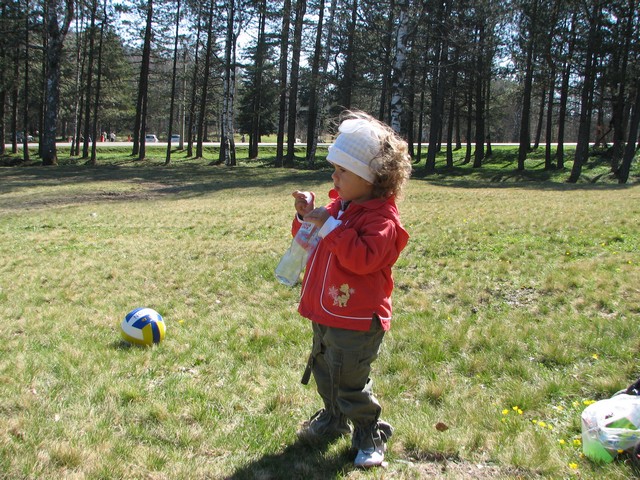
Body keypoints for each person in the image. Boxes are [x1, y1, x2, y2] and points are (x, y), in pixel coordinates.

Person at [287, 110, 412, 468]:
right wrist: (307, 216)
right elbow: (310, 240)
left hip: (357, 319)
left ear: (371, 177)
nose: (334, 176)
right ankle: (333, 418)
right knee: (325, 370)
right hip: (327, 311)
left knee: (349, 381)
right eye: (334, 168)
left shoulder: (382, 221)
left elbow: (362, 259)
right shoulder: (340, 207)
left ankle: (370, 432)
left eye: (342, 170)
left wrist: (329, 226)